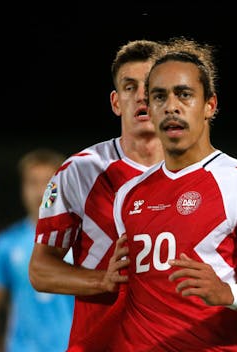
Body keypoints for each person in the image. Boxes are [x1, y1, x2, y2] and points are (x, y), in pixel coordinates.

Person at [72, 37, 237, 351]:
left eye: (184, 94)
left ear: (210, 105)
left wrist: (227, 293)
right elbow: (129, 301)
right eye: (159, 96)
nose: (171, 106)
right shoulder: (129, 195)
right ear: (149, 107)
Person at [28, 39, 165, 348]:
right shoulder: (80, 172)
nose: (141, 96)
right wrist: (101, 280)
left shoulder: (203, 175)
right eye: (130, 87)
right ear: (116, 102)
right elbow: (40, 270)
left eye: (151, 86)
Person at [0, 148, 73, 352]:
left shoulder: (82, 238)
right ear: (22, 188)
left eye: (48, 182)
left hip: (70, 347)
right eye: (32, 182)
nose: (40, 191)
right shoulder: (6, 243)